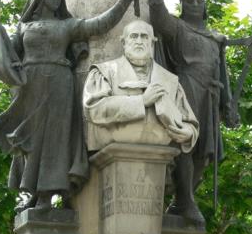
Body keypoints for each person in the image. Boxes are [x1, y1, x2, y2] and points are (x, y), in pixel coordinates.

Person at [0, 0, 136, 212]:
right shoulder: (24, 27)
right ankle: (34, 192)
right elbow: (10, 52)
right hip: (29, 87)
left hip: (59, 86)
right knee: (29, 141)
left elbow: (99, 24)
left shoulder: (67, 25)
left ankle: (46, 195)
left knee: (54, 140)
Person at [147, 0, 252, 225]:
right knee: (185, 144)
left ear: (204, 4)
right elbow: (157, 15)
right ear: (182, 4)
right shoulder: (178, 27)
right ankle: (186, 201)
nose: (193, 3)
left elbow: (221, 73)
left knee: (205, 151)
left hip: (210, 95)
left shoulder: (216, 38)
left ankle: (183, 200)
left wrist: (228, 106)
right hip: (186, 87)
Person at [83, 20, 199, 154]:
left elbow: (190, 122)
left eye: (144, 36)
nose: (139, 41)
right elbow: (94, 108)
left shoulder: (170, 80)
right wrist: (141, 101)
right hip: (113, 155)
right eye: (134, 36)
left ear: (152, 43)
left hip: (160, 155)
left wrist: (189, 133)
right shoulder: (104, 72)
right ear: (123, 42)